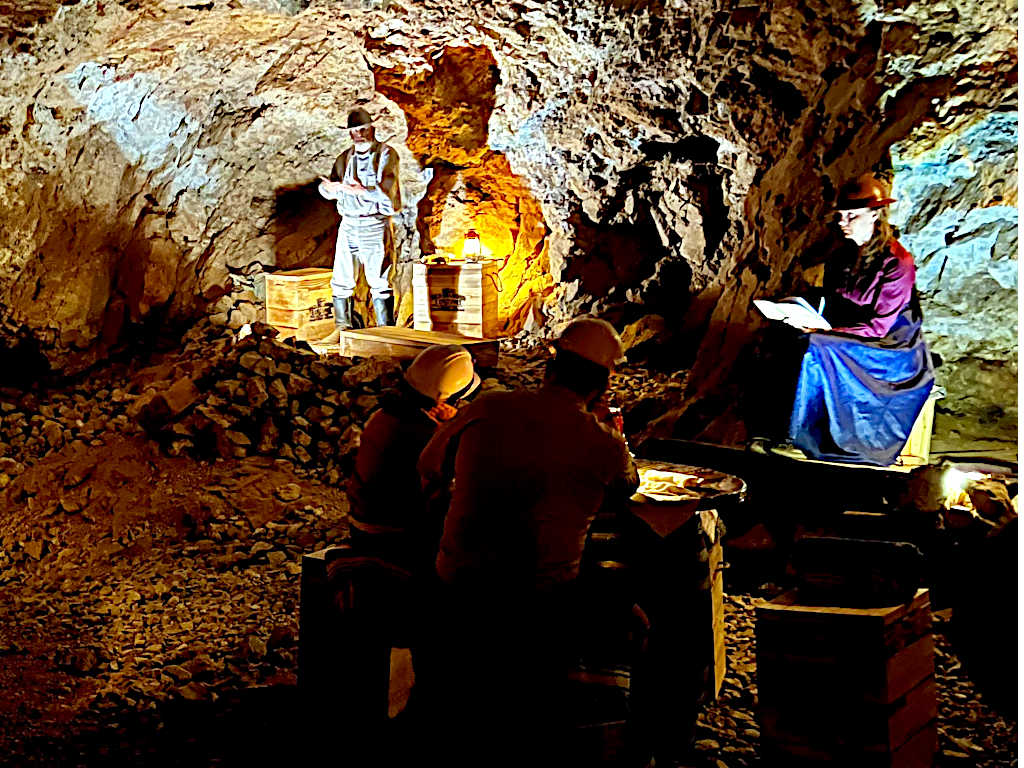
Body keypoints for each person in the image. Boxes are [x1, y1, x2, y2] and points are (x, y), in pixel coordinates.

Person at [414, 317, 639, 767]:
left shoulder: (488, 407)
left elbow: (429, 466)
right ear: (603, 383)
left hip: (457, 582)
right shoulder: (604, 443)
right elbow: (627, 487)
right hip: (540, 599)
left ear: (550, 366)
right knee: (633, 613)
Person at [781, 173, 935, 464]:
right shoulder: (841, 256)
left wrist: (826, 330)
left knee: (817, 345)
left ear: (875, 214)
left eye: (852, 215)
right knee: (790, 339)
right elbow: (832, 299)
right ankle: (797, 427)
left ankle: (818, 439)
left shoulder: (897, 262)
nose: (843, 222)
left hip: (888, 346)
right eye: (841, 215)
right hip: (849, 330)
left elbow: (879, 326)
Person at [347, 344, 480, 572]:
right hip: (395, 535)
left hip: (363, 524)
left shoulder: (386, 415)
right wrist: (452, 426)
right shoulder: (424, 434)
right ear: (443, 402)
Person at [317, 107, 402, 341]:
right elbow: (330, 188)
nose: (359, 135)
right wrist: (330, 189)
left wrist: (360, 190)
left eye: (363, 129)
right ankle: (343, 328)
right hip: (349, 224)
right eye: (354, 131)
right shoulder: (345, 158)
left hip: (373, 224)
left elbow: (387, 192)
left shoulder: (386, 154)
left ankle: (385, 332)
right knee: (342, 276)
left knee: (379, 277)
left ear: (372, 128)